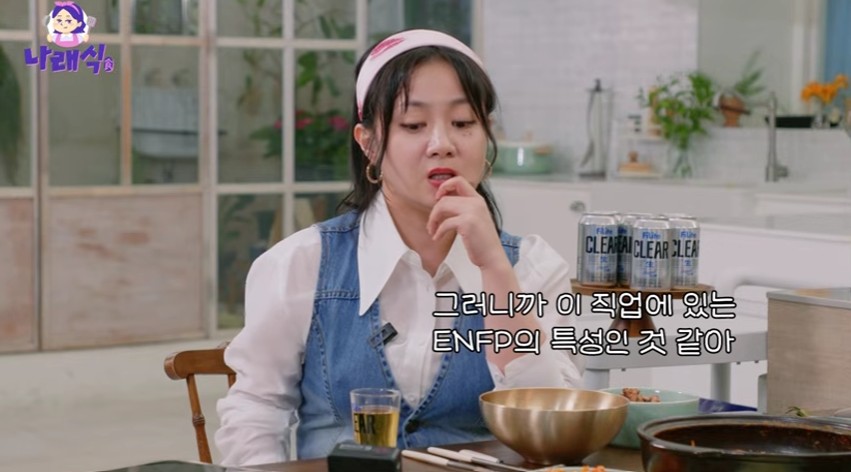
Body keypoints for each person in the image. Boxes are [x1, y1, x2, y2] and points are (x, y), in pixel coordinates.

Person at [215, 28, 584, 467]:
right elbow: (256, 411)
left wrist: (493, 268)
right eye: (413, 125)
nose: (442, 144)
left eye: (463, 123)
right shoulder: (301, 264)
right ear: (368, 142)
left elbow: (554, 434)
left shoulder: (533, 267)